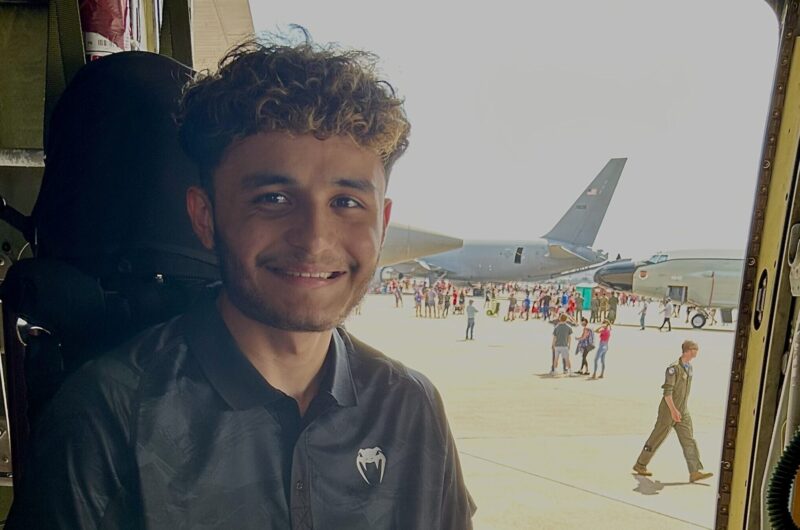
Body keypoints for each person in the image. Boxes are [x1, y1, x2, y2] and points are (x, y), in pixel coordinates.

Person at [8, 38, 476, 529]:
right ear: (205, 217)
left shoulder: (410, 409)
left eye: (346, 202)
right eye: (273, 198)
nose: (314, 240)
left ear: (381, 221)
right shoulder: (108, 418)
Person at [633, 341, 714, 483]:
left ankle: (695, 472)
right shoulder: (673, 368)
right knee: (657, 437)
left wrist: (680, 411)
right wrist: (673, 411)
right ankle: (640, 464)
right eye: (695, 349)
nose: (697, 352)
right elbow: (667, 393)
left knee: (689, 440)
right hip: (668, 411)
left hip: (682, 410)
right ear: (688, 350)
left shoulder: (689, 367)